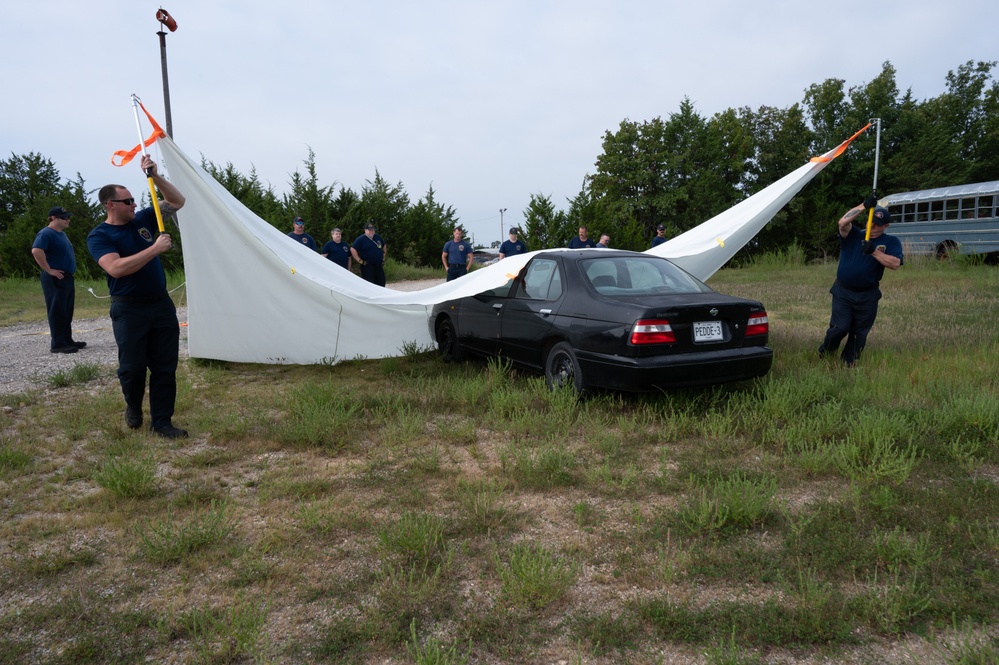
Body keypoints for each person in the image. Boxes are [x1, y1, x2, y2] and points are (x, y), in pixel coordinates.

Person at [87, 155, 189, 438]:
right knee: (132, 369)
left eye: (133, 200)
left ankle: (162, 422)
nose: (134, 205)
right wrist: (155, 249)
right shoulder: (100, 236)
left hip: (160, 305)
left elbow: (178, 201)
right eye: (128, 201)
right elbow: (116, 268)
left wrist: (155, 176)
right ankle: (133, 404)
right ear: (110, 205)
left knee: (164, 367)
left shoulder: (143, 219)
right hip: (129, 309)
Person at [818, 201, 903, 367]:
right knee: (840, 328)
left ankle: (848, 363)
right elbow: (842, 223)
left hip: (868, 294)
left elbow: (894, 264)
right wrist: (864, 205)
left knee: (859, 333)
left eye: (877, 225)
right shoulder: (854, 235)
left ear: (885, 226)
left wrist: (873, 251)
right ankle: (826, 353)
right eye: (870, 222)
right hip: (843, 291)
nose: (872, 227)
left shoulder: (891, 242)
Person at [31, 206, 84, 354]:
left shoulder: (61, 234)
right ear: (53, 218)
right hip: (55, 277)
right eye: (64, 217)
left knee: (66, 310)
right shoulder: (46, 233)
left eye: (68, 217)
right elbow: (36, 250)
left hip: (66, 277)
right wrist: (49, 270)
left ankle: (67, 340)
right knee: (57, 310)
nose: (68, 220)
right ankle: (58, 344)